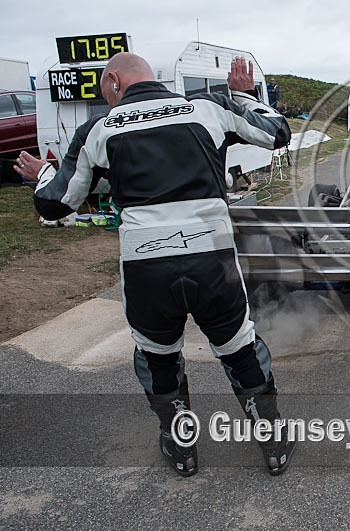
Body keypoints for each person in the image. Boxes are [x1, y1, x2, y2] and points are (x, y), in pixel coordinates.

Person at [14, 53, 296, 477]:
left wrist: (43, 174)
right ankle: (271, 440)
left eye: (103, 92)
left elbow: (56, 204)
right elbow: (278, 133)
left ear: (113, 80)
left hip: (147, 266)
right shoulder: (210, 107)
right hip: (211, 258)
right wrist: (243, 95)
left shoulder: (98, 129)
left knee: (158, 355)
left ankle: (181, 447)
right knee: (238, 347)